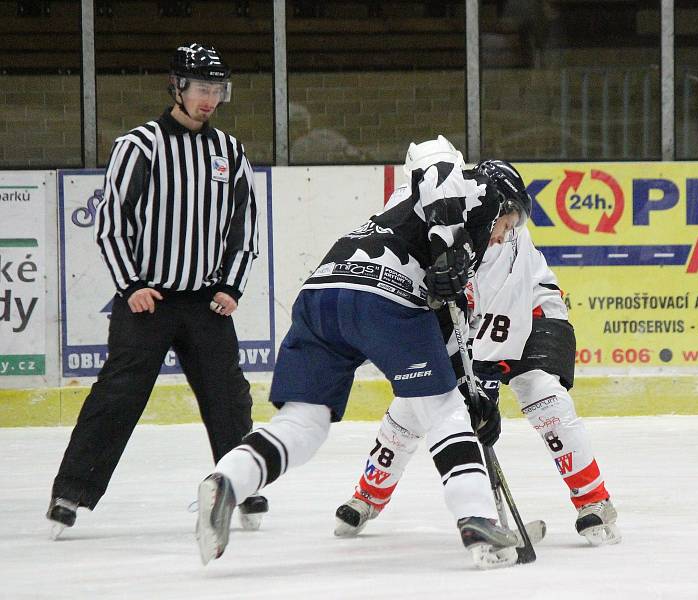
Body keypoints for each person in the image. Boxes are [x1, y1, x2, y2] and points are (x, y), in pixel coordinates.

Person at [194, 136, 531, 569]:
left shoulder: (445, 235)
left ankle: (229, 481)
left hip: (323, 292)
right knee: (443, 411)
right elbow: (433, 152)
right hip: (382, 294)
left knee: (305, 421)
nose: (505, 236)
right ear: (500, 202)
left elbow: (445, 334)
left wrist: (470, 391)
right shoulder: (472, 193)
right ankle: (478, 519)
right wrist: (448, 246)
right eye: (512, 222)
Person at [334, 160, 621, 547]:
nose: (510, 234)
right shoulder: (443, 221)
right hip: (473, 321)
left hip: (533, 312)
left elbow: (501, 324)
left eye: (515, 223)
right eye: (510, 222)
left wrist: (484, 379)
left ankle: (594, 501)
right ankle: (368, 495)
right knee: (417, 398)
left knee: (541, 392)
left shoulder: (502, 245)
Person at [46, 43, 267, 539]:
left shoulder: (229, 151)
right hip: (149, 302)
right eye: (200, 88)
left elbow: (245, 227)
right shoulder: (139, 146)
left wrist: (232, 285)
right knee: (119, 394)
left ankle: (244, 485)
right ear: (177, 88)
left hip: (207, 301)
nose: (209, 99)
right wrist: (131, 284)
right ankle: (70, 492)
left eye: (217, 90)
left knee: (228, 397)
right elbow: (111, 224)